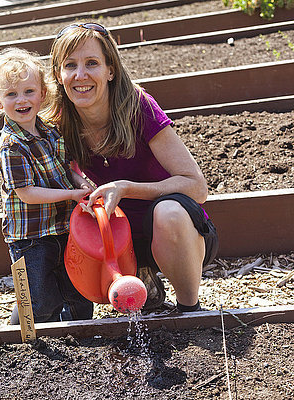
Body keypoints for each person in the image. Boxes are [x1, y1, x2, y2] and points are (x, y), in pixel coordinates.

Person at [46, 23, 219, 313]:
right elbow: (59, 172)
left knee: (168, 212)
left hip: (178, 233)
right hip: (118, 241)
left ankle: (190, 309)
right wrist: (78, 181)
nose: (80, 75)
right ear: (58, 75)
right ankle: (142, 280)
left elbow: (197, 186)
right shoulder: (59, 121)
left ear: (110, 70)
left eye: (92, 63)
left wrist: (126, 188)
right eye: (70, 66)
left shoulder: (138, 107)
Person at [0, 47, 94, 323]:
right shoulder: (11, 146)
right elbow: (27, 193)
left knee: (78, 287)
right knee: (38, 298)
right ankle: (28, 338)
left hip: (65, 227)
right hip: (30, 236)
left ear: (43, 94)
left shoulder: (50, 132)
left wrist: (82, 183)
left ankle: (81, 331)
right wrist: (71, 194)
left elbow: (67, 168)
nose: (21, 100)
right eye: (11, 94)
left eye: (29, 91)